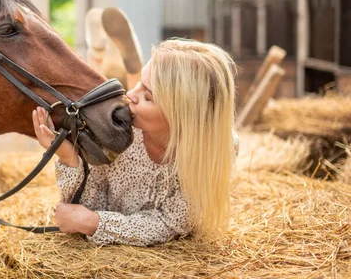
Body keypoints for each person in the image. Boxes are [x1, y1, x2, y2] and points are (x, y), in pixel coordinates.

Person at [32, 38, 239, 246]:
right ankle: (101, 55)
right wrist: (68, 157)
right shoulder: (119, 126)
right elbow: (84, 207)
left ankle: (105, 56)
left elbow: (169, 224)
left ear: (183, 117)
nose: (130, 94)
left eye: (147, 97)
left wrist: (93, 223)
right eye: (139, 82)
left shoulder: (216, 149)